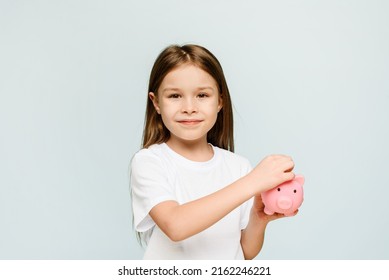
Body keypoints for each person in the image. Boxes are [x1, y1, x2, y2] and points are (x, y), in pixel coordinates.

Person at [130, 44, 296, 260]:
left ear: (220, 101)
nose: (189, 107)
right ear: (156, 103)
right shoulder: (150, 162)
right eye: (174, 96)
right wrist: (252, 182)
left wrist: (258, 219)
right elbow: (176, 226)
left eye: (202, 95)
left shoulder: (239, 166)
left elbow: (245, 252)